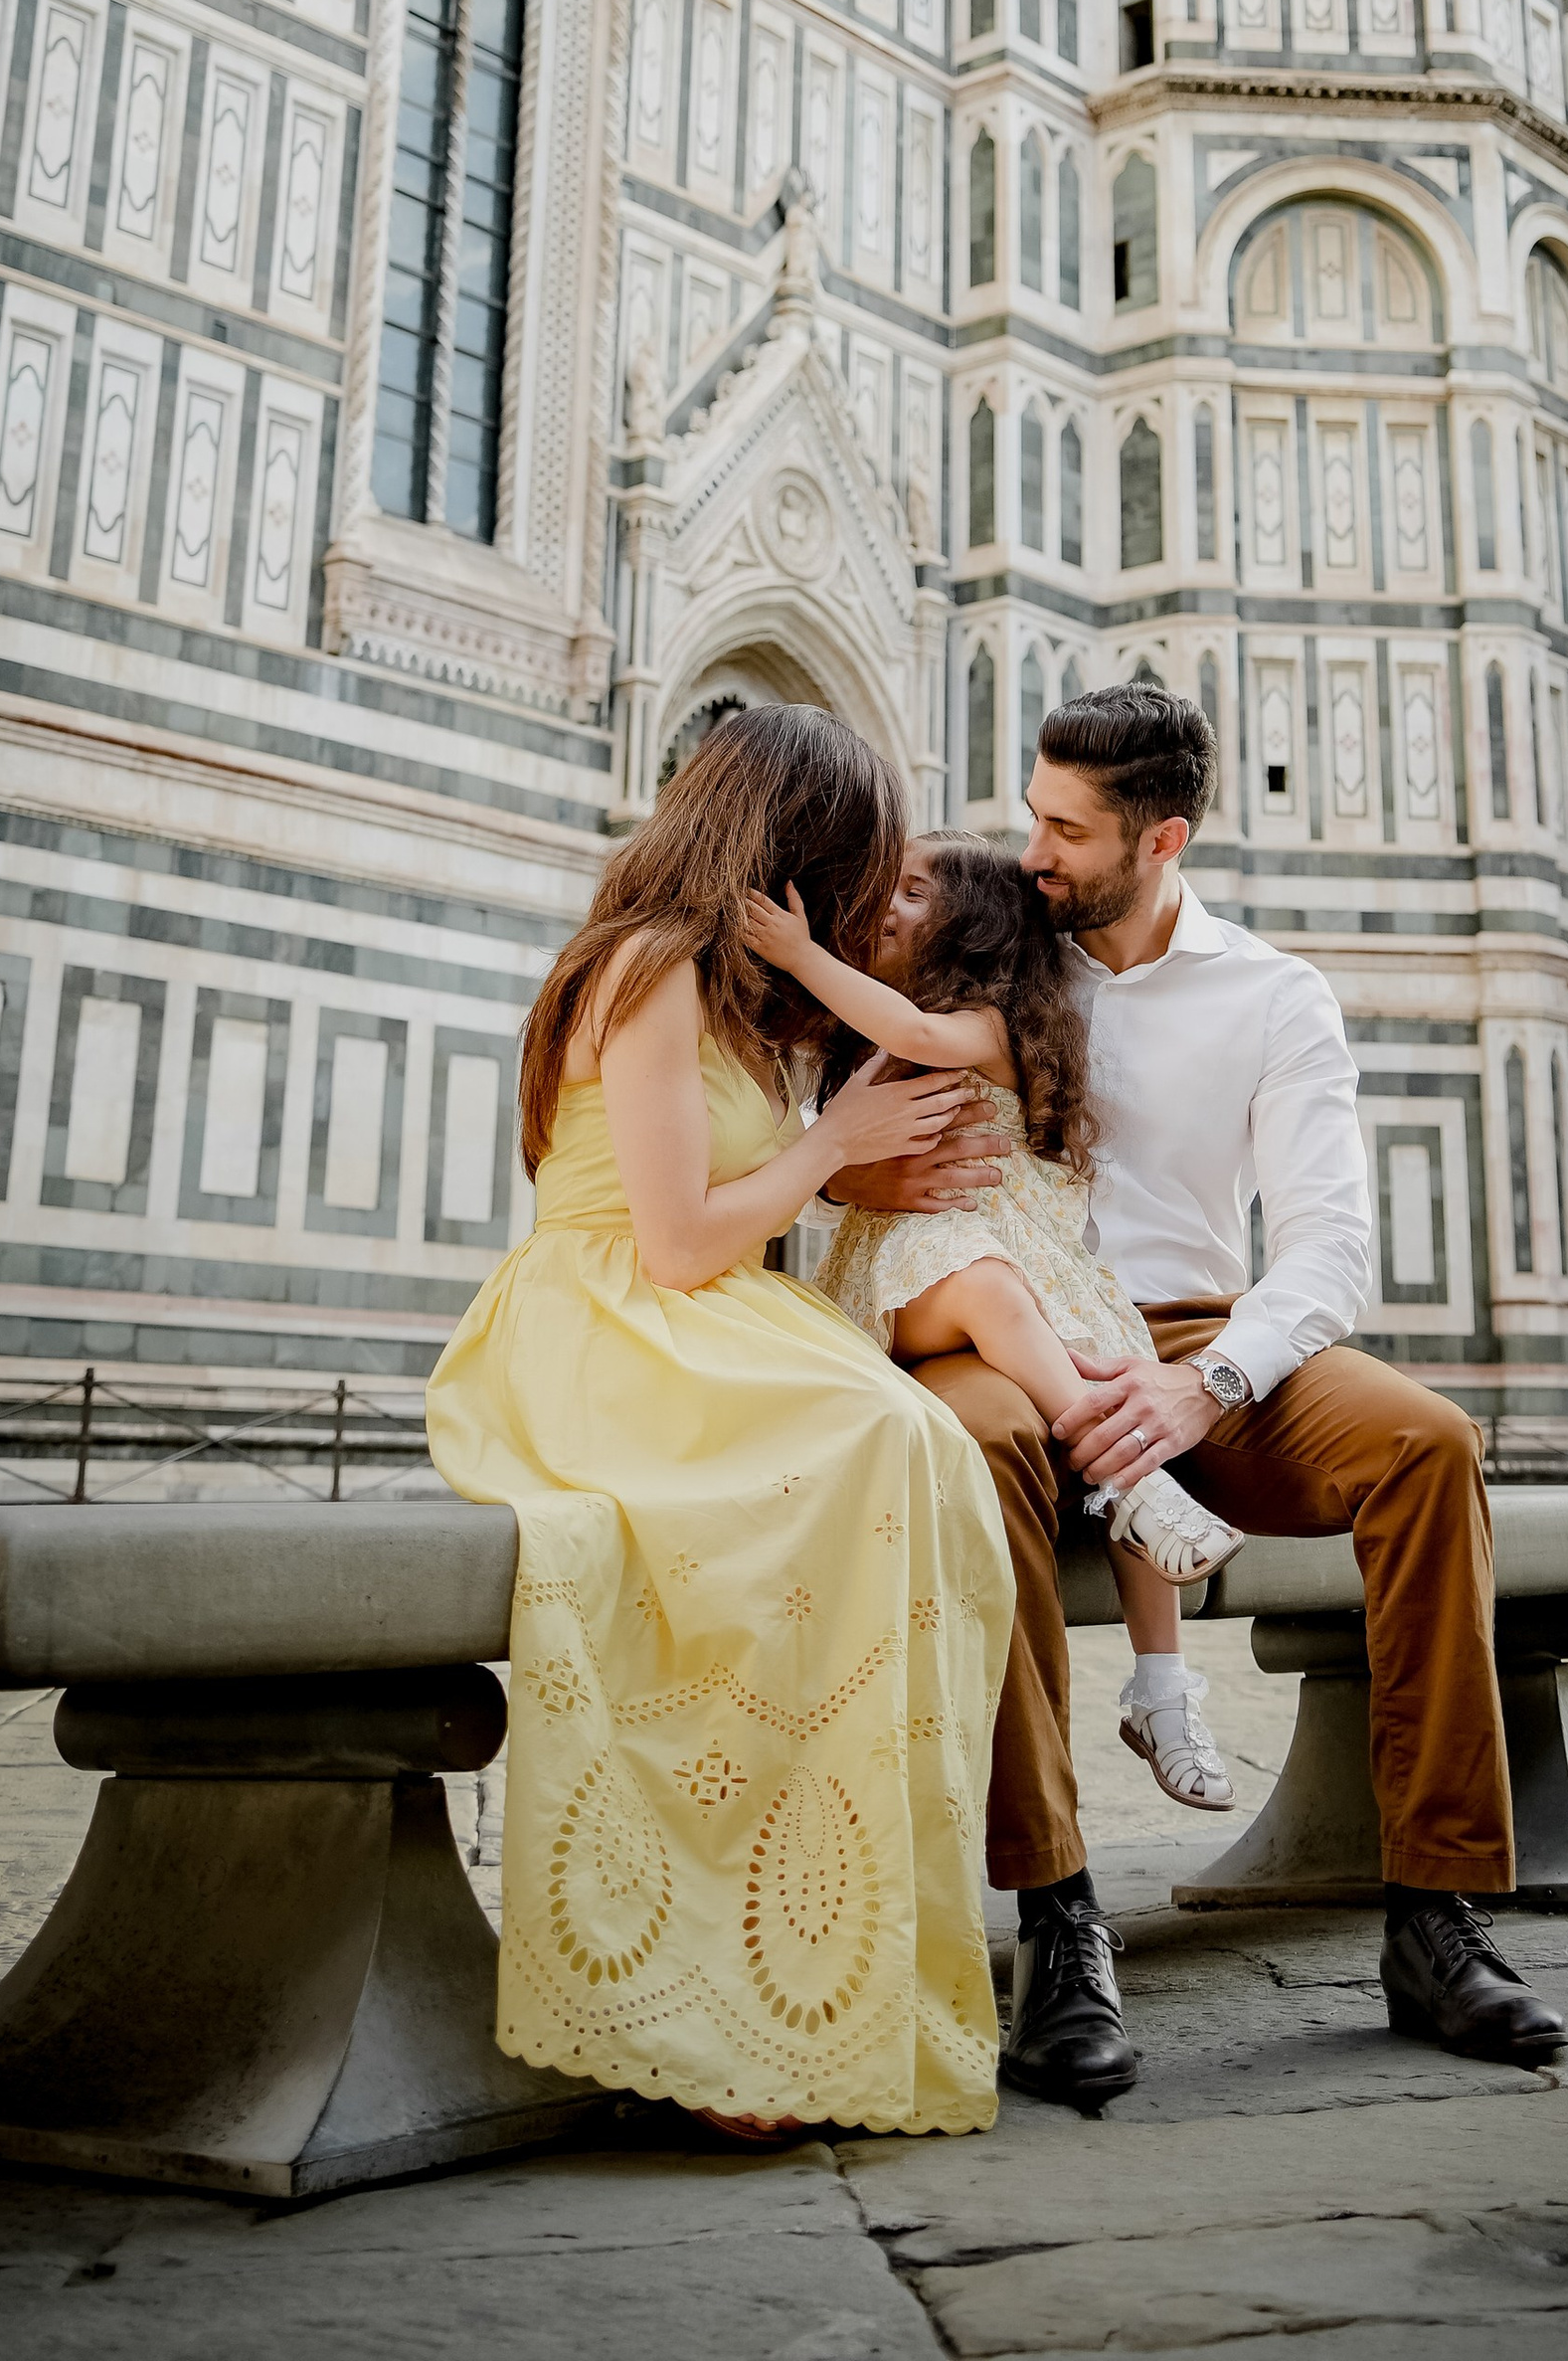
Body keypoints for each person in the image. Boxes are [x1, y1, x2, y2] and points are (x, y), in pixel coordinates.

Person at [827, 683, 1566, 2109]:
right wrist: (864, 1175)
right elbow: (837, 1132)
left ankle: (1434, 1913)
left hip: (1192, 1337)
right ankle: (1057, 1919)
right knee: (974, 1448)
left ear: (1160, 840)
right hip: (987, 1320)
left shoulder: (1273, 997)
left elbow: (1333, 1248)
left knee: (1427, 1448)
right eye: (1034, 813)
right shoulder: (982, 952)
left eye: (1066, 830)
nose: (1034, 851)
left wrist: (1204, 1383)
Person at [427, 706, 1014, 2139]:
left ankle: (809, 1966)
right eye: (856, 860)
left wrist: (866, 1172)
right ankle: (712, 1997)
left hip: (700, 1319)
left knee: (922, 1456)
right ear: (794, 845)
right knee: (875, 1451)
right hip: (604, 1328)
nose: (872, 897)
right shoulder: (643, 970)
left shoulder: (740, 1004)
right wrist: (830, 1151)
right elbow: (679, 1241)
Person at [746, 832, 1244, 1815]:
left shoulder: (987, 1025)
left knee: (1118, 1377)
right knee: (986, 1286)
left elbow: (921, 1038)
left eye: (915, 891)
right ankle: (1130, 1483)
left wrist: (809, 956)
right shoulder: (869, 1045)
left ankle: (1161, 1685)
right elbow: (798, 1163)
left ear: (973, 930)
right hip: (918, 1277)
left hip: (1033, 1274)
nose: (888, 904)